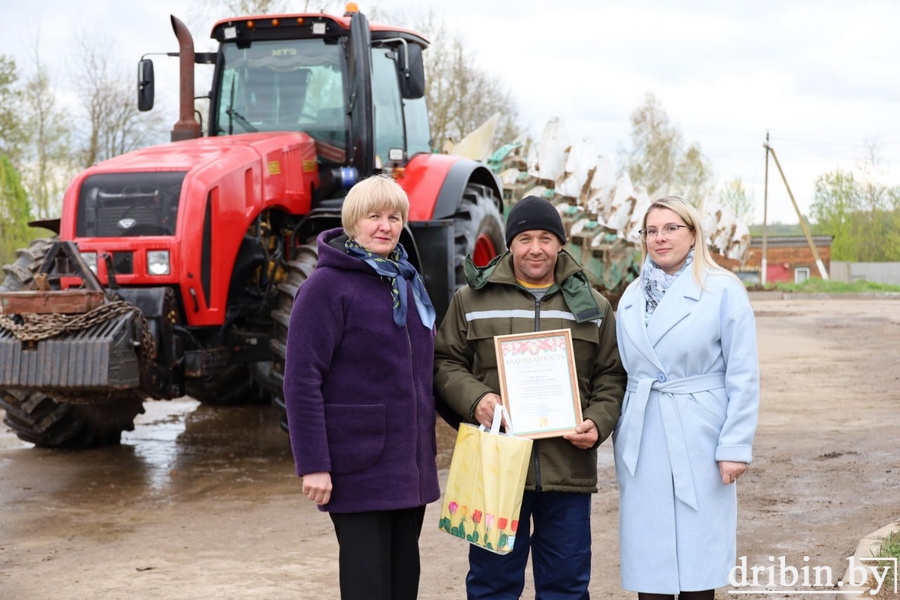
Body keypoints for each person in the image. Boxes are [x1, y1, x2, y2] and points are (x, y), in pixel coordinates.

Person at [434, 195, 627, 600]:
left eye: (545, 238)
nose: (535, 248)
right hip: (496, 467)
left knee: (567, 586)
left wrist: (598, 421)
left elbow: (611, 375)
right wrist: (478, 400)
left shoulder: (593, 307)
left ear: (560, 244)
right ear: (510, 244)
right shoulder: (471, 301)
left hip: (567, 469)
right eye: (524, 238)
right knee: (492, 585)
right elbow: (445, 364)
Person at [282, 175, 440, 600]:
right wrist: (312, 462)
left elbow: (424, 371)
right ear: (353, 221)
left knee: (403, 583)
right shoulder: (325, 288)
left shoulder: (406, 281)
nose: (385, 226)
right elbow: (301, 381)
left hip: (409, 468)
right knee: (368, 587)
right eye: (374, 216)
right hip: (359, 466)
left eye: (394, 217)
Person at [613, 196, 760, 600]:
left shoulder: (723, 290)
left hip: (701, 433)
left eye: (671, 228)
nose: (660, 238)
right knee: (650, 563)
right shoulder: (629, 297)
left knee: (699, 561)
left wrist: (735, 445)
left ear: (693, 233)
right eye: (651, 230)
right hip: (644, 435)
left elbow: (744, 374)